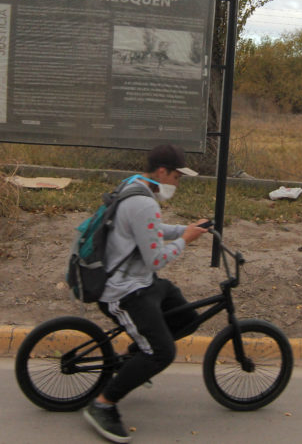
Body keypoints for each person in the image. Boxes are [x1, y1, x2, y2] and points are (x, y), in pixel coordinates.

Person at [83, 143, 211, 443]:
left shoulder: (134, 184)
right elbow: (156, 259)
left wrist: (183, 228)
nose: (178, 184)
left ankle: (132, 360)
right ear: (162, 172)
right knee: (163, 352)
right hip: (123, 292)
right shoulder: (144, 202)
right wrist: (187, 240)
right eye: (177, 178)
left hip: (141, 281)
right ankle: (103, 404)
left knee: (186, 319)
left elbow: (149, 230)